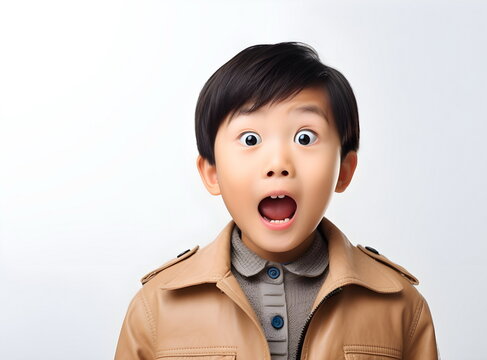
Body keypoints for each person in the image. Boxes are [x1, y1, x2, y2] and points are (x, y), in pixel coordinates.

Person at [114, 42, 438, 360]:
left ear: (344, 170)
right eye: (250, 139)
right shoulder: (156, 306)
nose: (278, 163)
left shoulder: (399, 306)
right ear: (212, 173)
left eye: (305, 137)